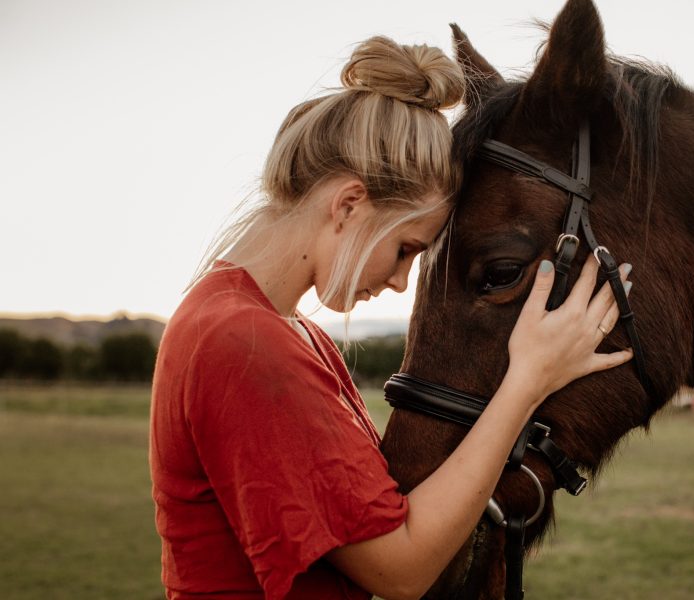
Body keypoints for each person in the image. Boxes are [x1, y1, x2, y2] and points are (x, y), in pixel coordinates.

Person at [149, 35, 634, 600]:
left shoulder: (289, 333)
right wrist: (527, 381)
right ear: (350, 204)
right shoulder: (243, 342)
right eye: (406, 247)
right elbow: (399, 569)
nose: (401, 281)